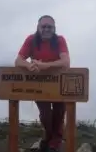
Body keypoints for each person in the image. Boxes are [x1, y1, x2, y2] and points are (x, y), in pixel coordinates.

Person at [15, 15, 70, 152]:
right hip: (39, 84)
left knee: (59, 112)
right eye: (43, 26)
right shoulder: (31, 40)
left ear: (54, 28)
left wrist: (43, 66)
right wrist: (29, 66)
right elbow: (18, 61)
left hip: (59, 83)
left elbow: (65, 62)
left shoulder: (59, 40)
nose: (46, 29)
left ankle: (54, 142)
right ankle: (50, 137)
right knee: (45, 114)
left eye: (49, 27)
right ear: (38, 27)